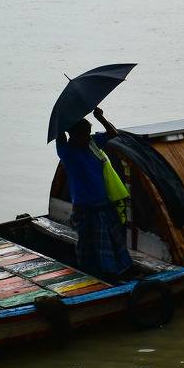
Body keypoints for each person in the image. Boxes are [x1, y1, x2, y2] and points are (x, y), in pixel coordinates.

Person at [55, 106, 133, 279]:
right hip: (84, 208)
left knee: (113, 241)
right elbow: (59, 133)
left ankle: (114, 274)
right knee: (87, 245)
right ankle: (89, 275)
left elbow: (113, 134)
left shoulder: (92, 145)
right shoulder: (66, 152)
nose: (88, 137)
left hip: (104, 203)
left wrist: (100, 118)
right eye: (84, 135)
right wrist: (63, 119)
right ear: (73, 136)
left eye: (88, 134)